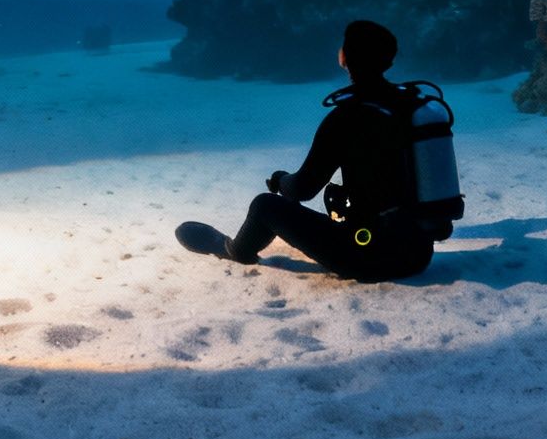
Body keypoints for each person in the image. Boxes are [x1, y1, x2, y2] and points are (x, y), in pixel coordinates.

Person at [175, 19, 459, 283]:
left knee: (264, 205)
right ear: (390, 58)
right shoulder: (412, 108)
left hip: (367, 258)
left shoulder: (346, 118)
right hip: (419, 256)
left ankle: (233, 250)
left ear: (344, 58)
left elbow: (302, 189)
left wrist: (280, 181)